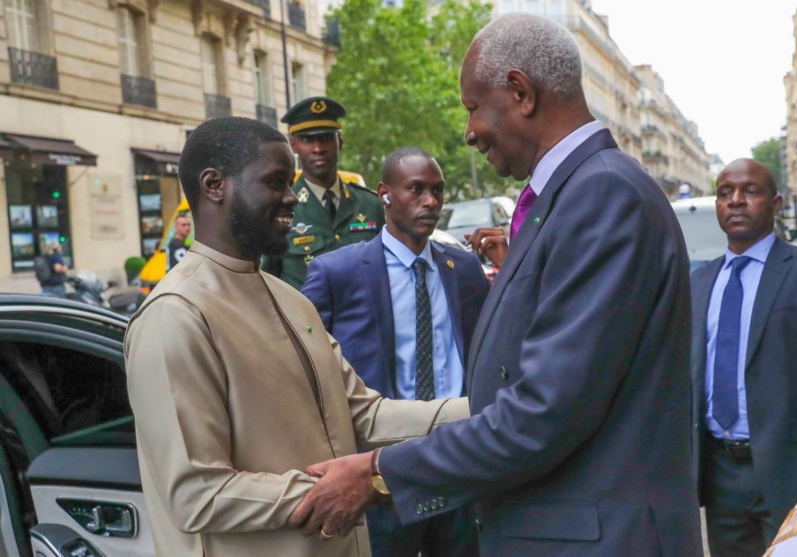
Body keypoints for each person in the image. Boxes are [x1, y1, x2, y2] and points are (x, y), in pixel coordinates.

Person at [287, 14, 703, 556]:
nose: (468, 132)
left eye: (473, 107)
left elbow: (544, 411)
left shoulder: (601, 195)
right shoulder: (574, 194)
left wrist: (378, 473)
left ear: (521, 93)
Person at [124, 117, 469, 557]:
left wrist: (489, 408)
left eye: (290, 183)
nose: (292, 197)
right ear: (214, 185)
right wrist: (350, 485)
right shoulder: (175, 317)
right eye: (275, 183)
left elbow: (366, 417)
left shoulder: (292, 301)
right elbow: (197, 494)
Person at [301, 147, 489, 557]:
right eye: (416, 190)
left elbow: (489, 353)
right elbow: (305, 364)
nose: (431, 202)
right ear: (384, 193)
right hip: (380, 467)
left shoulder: (464, 269)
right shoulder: (338, 273)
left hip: (457, 459)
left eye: (437, 191)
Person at [689, 158, 797, 557]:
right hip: (720, 474)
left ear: (776, 204)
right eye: (725, 193)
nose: (735, 200)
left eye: (750, 191)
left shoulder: (795, 271)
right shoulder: (698, 283)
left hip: (788, 470)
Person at [261, 96, 386, 289]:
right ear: (293, 145)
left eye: (325, 138)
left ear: (340, 142)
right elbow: (266, 281)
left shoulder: (370, 205)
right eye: (307, 140)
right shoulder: (278, 210)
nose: (318, 148)